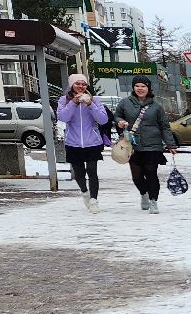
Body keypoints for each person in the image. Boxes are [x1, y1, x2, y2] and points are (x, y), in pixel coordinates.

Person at [114, 76, 177, 213]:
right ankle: (144, 193)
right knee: (137, 176)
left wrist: (170, 145)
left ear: (148, 88)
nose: (140, 89)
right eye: (137, 86)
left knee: (151, 174)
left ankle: (154, 201)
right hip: (133, 145)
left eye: (143, 86)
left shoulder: (156, 106)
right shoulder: (125, 103)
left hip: (152, 145)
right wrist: (119, 122)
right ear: (133, 87)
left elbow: (164, 126)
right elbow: (117, 116)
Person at [56, 74, 111, 213]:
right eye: (77, 84)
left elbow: (103, 119)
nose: (81, 86)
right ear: (72, 85)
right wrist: (73, 103)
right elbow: (63, 117)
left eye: (84, 84)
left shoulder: (95, 100)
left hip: (92, 142)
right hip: (73, 143)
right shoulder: (64, 100)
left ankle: (94, 200)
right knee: (79, 173)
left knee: (92, 172)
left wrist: (90, 104)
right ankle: (84, 191)